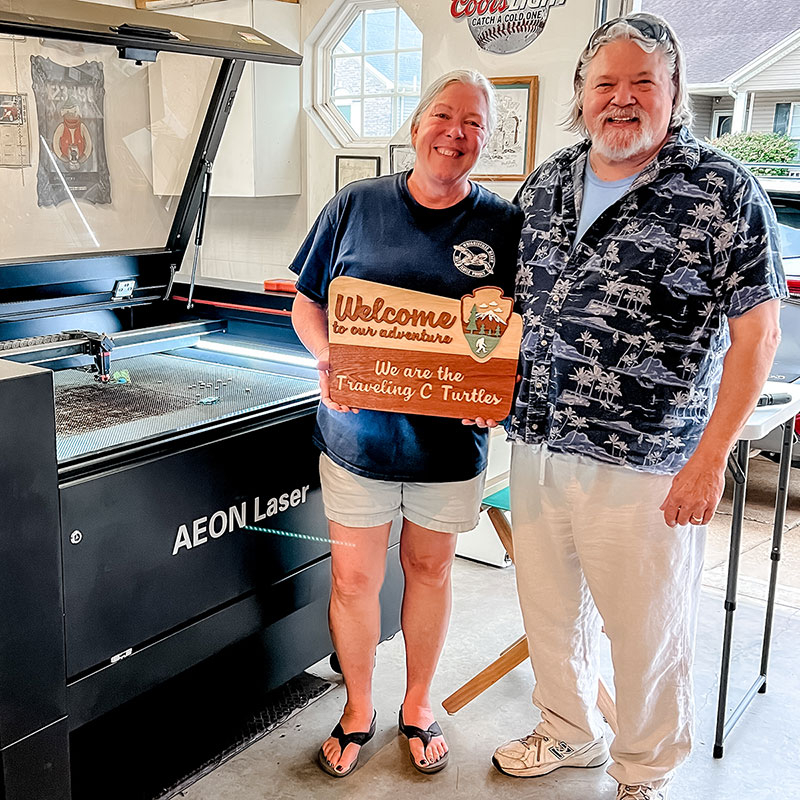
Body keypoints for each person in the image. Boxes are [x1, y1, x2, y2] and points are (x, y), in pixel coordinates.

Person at [491, 13, 786, 800]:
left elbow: (758, 336)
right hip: (540, 440)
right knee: (550, 611)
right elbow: (510, 308)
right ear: (582, 94)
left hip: (650, 460)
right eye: (604, 84)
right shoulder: (548, 180)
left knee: (645, 629)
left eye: (641, 84)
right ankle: (569, 731)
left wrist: (710, 457)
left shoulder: (723, 190)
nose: (621, 101)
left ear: (674, 92)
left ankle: (646, 767)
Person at [289, 70, 522, 778]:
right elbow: (307, 302)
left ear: (486, 137)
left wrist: (497, 388)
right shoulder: (354, 206)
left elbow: (515, 327)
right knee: (356, 581)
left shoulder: (504, 224)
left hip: (450, 447)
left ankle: (417, 704)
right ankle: (359, 707)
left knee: (429, 571)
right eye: (445, 116)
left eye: (474, 123)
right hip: (357, 441)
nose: (458, 133)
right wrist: (330, 360)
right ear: (417, 125)